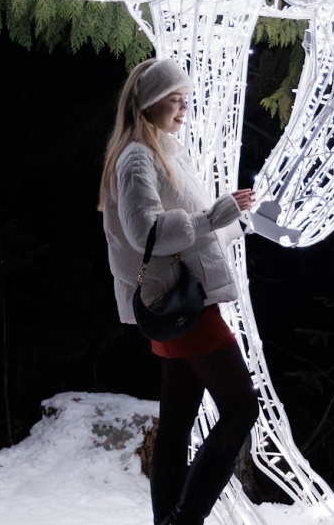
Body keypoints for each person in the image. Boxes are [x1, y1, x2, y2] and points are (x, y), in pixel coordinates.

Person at [100, 57, 260, 525]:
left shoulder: (161, 149)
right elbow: (145, 232)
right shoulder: (136, 156)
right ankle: (184, 521)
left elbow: (191, 229)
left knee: (175, 426)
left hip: (176, 301)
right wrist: (214, 216)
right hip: (180, 304)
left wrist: (236, 222)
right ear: (151, 103)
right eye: (176, 98)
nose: (184, 105)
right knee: (241, 407)